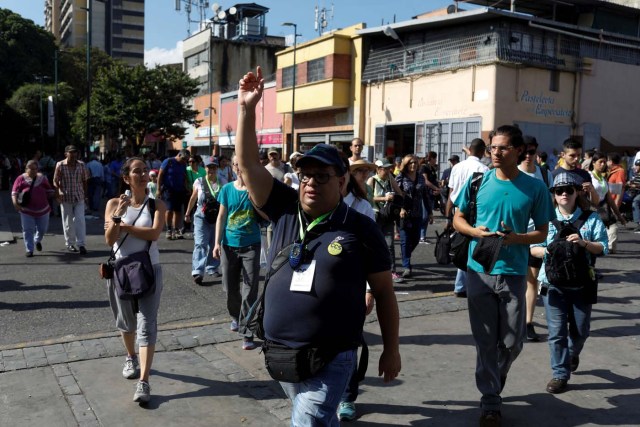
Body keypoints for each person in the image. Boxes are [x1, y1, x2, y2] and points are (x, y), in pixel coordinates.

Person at [236, 66, 401, 426]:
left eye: (321, 176)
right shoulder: (282, 206)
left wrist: (391, 349)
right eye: (305, 175)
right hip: (279, 353)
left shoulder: (361, 228)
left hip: (332, 354)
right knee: (317, 420)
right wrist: (247, 109)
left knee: (307, 422)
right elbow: (249, 164)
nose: (310, 182)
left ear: (342, 182)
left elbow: (385, 293)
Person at [453, 125, 554, 427]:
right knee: (485, 341)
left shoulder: (535, 187)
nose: (495, 152)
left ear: (519, 150)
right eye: (492, 147)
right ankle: (490, 401)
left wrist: (515, 239)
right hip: (479, 270)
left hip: (513, 273)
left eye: (503, 148)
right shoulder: (477, 182)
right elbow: (457, 218)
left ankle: (496, 375)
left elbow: (542, 232)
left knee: (512, 341)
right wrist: (474, 231)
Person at [530, 173, 607, 394]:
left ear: (576, 193)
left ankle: (572, 353)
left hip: (582, 284)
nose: (564, 193)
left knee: (581, 331)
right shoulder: (544, 218)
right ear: (553, 194)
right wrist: (549, 250)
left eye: (568, 190)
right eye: (558, 190)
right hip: (552, 284)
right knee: (556, 332)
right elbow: (531, 247)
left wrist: (584, 243)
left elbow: (603, 247)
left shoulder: (591, 218)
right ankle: (560, 374)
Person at [104, 157, 166, 404]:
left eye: (145, 171)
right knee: (126, 322)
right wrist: (119, 214)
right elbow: (109, 239)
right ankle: (131, 355)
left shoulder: (156, 204)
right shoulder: (113, 204)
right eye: (137, 171)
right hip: (121, 270)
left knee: (147, 324)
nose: (143, 175)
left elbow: (154, 233)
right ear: (126, 177)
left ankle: (144, 381)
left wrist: (126, 227)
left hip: (150, 268)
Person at [212, 156, 262, 351]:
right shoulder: (227, 189)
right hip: (228, 246)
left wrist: (255, 200)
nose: (240, 169)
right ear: (232, 168)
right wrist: (216, 243)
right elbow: (221, 216)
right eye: (236, 165)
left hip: (251, 245)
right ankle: (235, 315)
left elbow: (265, 215)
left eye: (243, 165)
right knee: (230, 288)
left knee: (250, 290)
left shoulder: (255, 189)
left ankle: (247, 331)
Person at [517, 136, 553, 342]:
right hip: (512, 237)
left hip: (536, 237)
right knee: (514, 281)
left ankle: (527, 323)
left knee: (531, 281)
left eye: (532, 152)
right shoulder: (512, 173)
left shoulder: (545, 175)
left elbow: (552, 204)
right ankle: (511, 319)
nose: (528, 156)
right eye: (525, 152)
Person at [446, 138, 489, 298]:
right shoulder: (483, 168)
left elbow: (451, 191)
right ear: (482, 151)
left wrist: (448, 214)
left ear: (470, 150)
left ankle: (460, 284)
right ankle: (465, 284)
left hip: (458, 208)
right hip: (473, 212)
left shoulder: (457, 166)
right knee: (470, 246)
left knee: (461, 244)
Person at [185, 156, 221, 284]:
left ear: (217, 168)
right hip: (201, 215)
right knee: (200, 243)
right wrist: (188, 213)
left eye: (214, 167)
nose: (211, 169)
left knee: (214, 243)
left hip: (217, 217)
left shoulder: (222, 182)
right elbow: (193, 198)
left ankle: (212, 267)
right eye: (209, 167)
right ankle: (198, 271)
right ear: (204, 168)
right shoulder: (199, 182)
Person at [368, 159, 405, 283]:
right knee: (374, 244)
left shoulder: (390, 178)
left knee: (389, 245)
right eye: (384, 168)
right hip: (376, 216)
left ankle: (392, 271)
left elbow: (400, 193)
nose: (387, 170)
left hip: (388, 216)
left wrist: (396, 198)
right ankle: (374, 271)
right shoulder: (372, 180)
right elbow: (367, 197)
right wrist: (384, 198)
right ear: (378, 169)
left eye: (389, 168)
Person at [395, 154, 430, 279]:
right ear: (406, 164)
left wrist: (430, 212)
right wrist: (401, 208)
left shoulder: (420, 178)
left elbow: (425, 195)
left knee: (415, 239)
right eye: (410, 163)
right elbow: (397, 196)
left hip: (418, 213)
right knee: (405, 240)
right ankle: (406, 267)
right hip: (403, 214)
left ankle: (405, 254)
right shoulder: (400, 177)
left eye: (415, 162)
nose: (413, 165)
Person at [11, 160, 54, 257]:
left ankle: (37, 240)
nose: (34, 171)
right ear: (26, 169)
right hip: (26, 210)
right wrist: (15, 203)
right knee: (27, 230)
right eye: (31, 169)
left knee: (43, 229)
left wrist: (55, 194)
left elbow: (49, 190)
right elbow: (14, 192)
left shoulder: (42, 178)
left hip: (43, 209)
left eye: (35, 169)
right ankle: (29, 249)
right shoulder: (20, 178)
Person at [53, 145, 90, 254]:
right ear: (66, 154)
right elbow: (55, 181)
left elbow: (85, 181)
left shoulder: (81, 165)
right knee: (68, 222)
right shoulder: (60, 165)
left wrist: (86, 195)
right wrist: (57, 193)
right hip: (65, 197)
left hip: (79, 196)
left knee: (80, 220)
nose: (73, 155)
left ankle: (81, 244)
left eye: (75, 152)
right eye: (71, 152)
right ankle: (70, 244)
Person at [589, 152, 626, 253]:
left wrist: (619, 215)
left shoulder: (603, 178)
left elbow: (609, 198)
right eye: (600, 162)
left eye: (605, 162)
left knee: (613, 228)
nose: (603, 164)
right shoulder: (588, 176)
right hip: (590, 209)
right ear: (593, 162)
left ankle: (609, 248)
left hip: (603, 209)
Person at [552, 139, 600, 205]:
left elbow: (595, 203)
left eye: (579, 155)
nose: (577, 158)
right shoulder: (553, 175)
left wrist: (592, 191)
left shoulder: (584, 174)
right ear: (563, 155)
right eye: (572, 155)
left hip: (582, 214)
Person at [156, 149, 190, 240]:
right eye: (183, 158)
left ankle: (176, 229)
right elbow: (160, 175)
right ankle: (169, 229)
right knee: (169, 210)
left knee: (178, 211)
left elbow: (184, 176)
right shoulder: (168, 161)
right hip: (168, 190)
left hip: (180, 190)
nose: (184, 161)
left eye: (186, 159)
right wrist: (158, 189)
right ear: (179, 155)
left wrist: (186, 187)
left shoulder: (183, 164)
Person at [419, 152, 439, 243]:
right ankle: (420, 236)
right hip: (424, 194)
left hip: (431, 194)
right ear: (431, 159)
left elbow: (434, 180)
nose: (436, 161)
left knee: (427, 216)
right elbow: (425, 181)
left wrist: (436, 189)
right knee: (424, 215)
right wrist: (436, 188)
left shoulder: (432, 168)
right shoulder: (424, 167)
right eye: (435, 159)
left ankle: (423, 236)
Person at [627, 159, 640, 232]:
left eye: (637, 166)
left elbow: (636, 185)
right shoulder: (636, 175)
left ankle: (638, 223)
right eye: (636, 165)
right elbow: (631, 182)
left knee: (635, 201)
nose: (636, 167)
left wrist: (636, 186)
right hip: (635, 192)